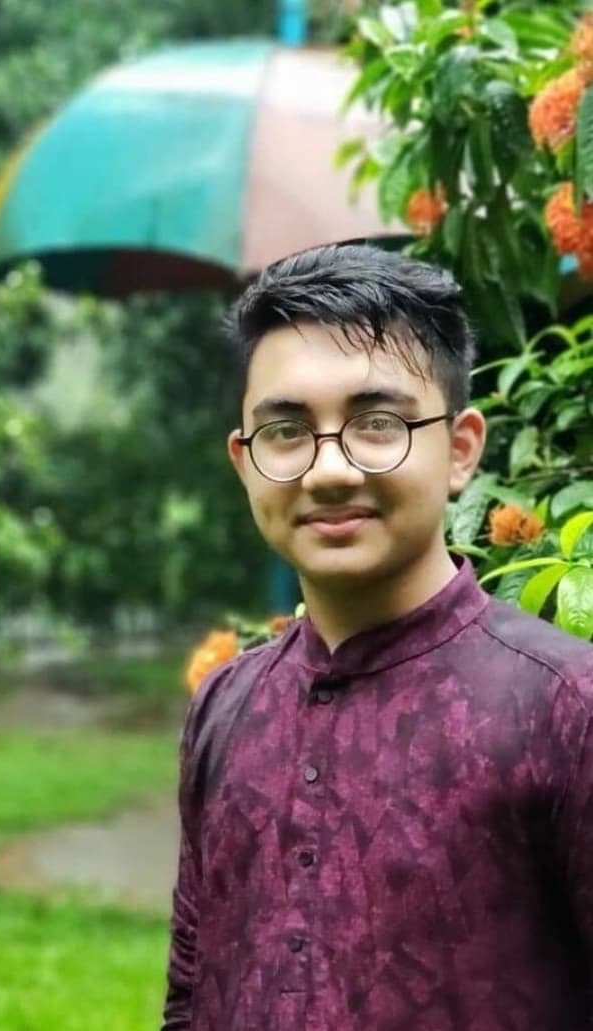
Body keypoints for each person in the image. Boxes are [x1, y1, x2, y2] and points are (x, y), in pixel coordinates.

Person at [161, 244, 593, 1030]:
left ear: (460, 449)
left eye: (377, 423)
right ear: (244, 461)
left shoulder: (566, 707)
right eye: (286, 430)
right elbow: (191, 991)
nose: (329, 470)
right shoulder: (225, 706)